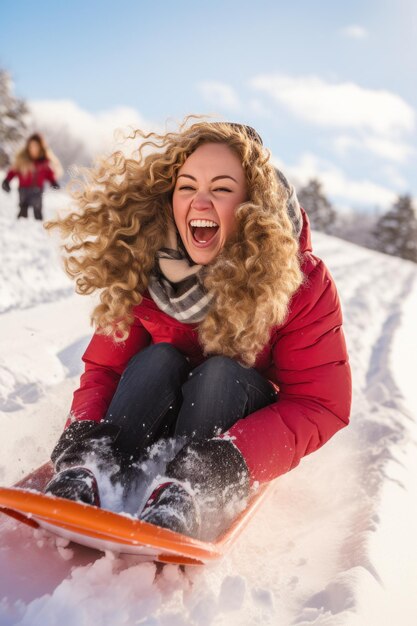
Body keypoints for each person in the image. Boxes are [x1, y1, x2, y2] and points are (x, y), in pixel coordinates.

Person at [43, 120, 352, 540]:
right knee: (157, 358)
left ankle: (188, 488)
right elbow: (106, 369)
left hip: (227, 426)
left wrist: (233, 460)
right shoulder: (145, 258)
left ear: (252, 204)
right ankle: (94, 468)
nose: (200, 201)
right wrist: (80, 438)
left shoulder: (301, 281)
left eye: (222, 189)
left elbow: (320, 402)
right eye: (187, 186)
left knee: (219, 373)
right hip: (153, 410)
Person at [2, 132, 61, 220]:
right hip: (23, 191)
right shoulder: (22, 160)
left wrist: (53, 182)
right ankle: (20, 228)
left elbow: (49, 174)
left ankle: (38, 229)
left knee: (37, 211)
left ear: (40, 147)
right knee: (23, 211)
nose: (33, 149)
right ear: (28, 147)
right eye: (31, 146)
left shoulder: (44, 162)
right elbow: (13, 171)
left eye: (36, 146)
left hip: (37, 191)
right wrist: (6, 181)